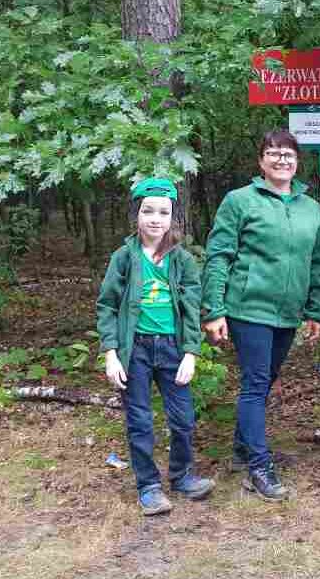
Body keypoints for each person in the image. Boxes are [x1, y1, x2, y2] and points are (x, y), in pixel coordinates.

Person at [201, 130, 320, 502]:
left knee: (265, 379)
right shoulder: (239, 201)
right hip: (248, 308)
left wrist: (315, 310)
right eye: (273, 154)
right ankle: (259, 466)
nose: (281, 160)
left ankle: (243, 450)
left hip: (288, 312)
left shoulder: (310, 207)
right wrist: (215, 309)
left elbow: (319, 262)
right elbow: (220, 255)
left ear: (297, 161)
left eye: (288, 154)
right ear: (261, 161)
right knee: (256, 382)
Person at [96, 177, 215, 516]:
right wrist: (111, 353)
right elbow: (106, 305)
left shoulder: (182, 261)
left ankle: (181, 475)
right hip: (134, 351)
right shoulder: (123, 258)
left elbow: (192, 309)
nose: (155, 219)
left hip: (173, 350)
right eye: (148, 211)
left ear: (173, 218)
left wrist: (191, 352)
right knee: (140, 421)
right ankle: (148, 486)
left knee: (183, 419)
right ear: (137, 214)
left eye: (163, 212)